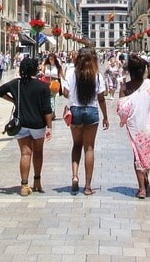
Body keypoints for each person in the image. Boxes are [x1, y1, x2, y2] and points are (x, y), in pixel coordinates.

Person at [0, 57, 54, 196]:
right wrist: (50, 127)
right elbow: (47, 110)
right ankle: (37, 181)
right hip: (38, 124)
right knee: (38, 152)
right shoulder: (43, 86)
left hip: (21, 123)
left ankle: (24, 185)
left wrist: (14, 100)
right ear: (36, 69)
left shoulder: (16, 83)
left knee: (25, 153)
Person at [117, 54, 150, 199]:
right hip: (149, 124)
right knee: (147, 152)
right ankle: (145, 176)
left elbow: (121, 110)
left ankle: (142, 188)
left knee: (138, 155)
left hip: (134, 126)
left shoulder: (125, 87)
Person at [61, 51, 108, 195]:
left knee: (76, 145)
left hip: (75, 111)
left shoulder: (71, 73)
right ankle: (87, 186)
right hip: (92, 111)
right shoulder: (97, 76)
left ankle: (75, 176)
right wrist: (106, 116)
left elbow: (65, 93)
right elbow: (101, 98)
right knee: (89, 148)